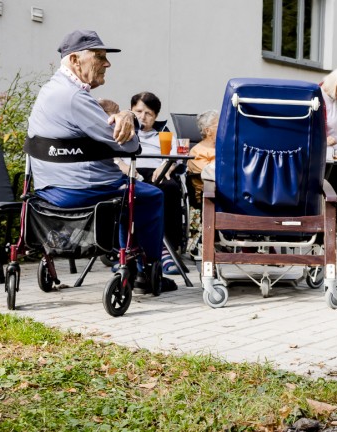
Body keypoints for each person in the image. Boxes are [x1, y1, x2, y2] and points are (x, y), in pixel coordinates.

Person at [27, 29, 174, 293]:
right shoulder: (75, 98)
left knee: (127, 196)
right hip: (83, 189)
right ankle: (149, 267)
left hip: (47, 188)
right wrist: (123, 113)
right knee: (150, 196)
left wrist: (107, 110)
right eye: (99, 57)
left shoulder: (51, 91)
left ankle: (129, 263)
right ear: (75, 60)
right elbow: (131, 145)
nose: (107, 63)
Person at [117, 91, 184, 274]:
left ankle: (167, 248)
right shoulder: (122, 131)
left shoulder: (163, 135)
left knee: (171, 188)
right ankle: (125, 250)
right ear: (130, 111)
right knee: (120, 192)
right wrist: (123, 166)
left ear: (155, 117)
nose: (142, 116)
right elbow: (112, 155)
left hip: (156, 175)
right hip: (129, 173)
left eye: (148, 113)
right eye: (138, 111)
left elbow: (176, 156)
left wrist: (166, 167)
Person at [187, 110, 219, 202]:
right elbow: (210, 174)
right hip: (209, 196)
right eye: (219, 125)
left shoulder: (224, 148)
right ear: (208, 131)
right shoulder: (197, 152)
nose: (225, 128)